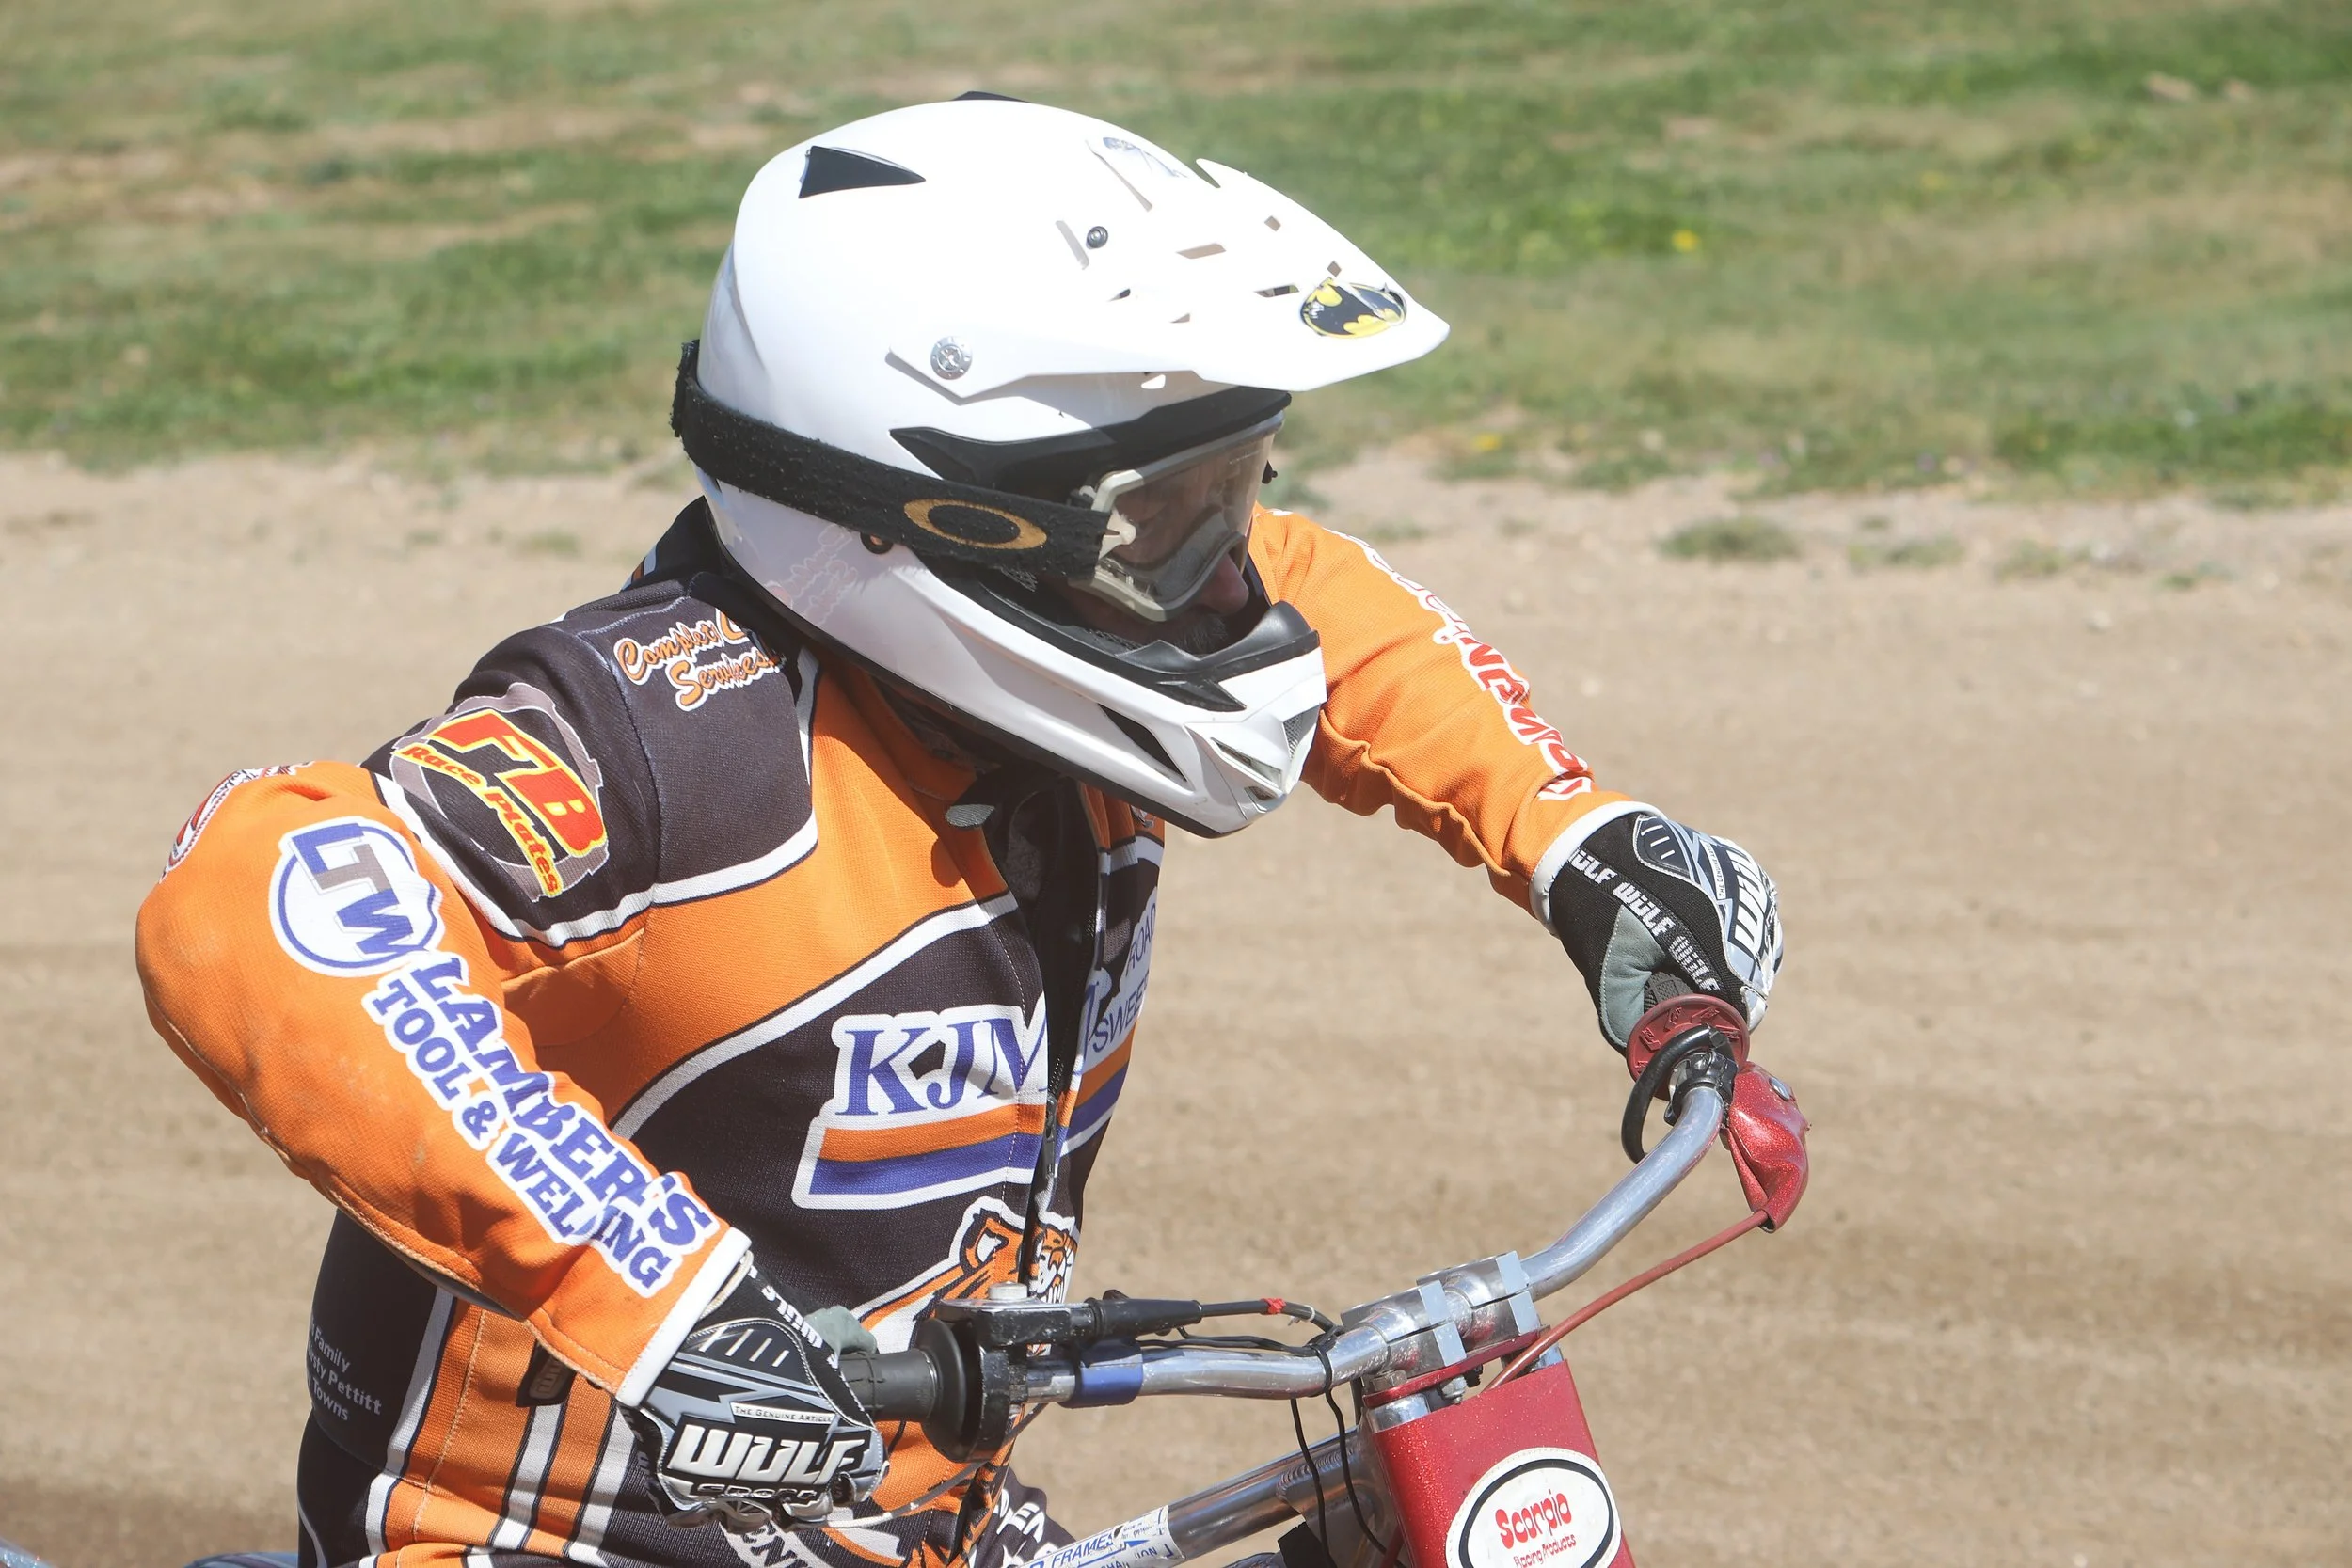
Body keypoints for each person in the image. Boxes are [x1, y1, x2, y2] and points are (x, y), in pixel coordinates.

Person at [136, 97, 1783, 1568]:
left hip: (926, 1523)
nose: (1233, 571)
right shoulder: (670, 737)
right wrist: (645, 1283)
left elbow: (1332, 613)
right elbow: (256, 893)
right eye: (1164, 517)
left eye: (1237, 482)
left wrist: (1590, 848)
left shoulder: (1060, 676)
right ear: (944, 524)